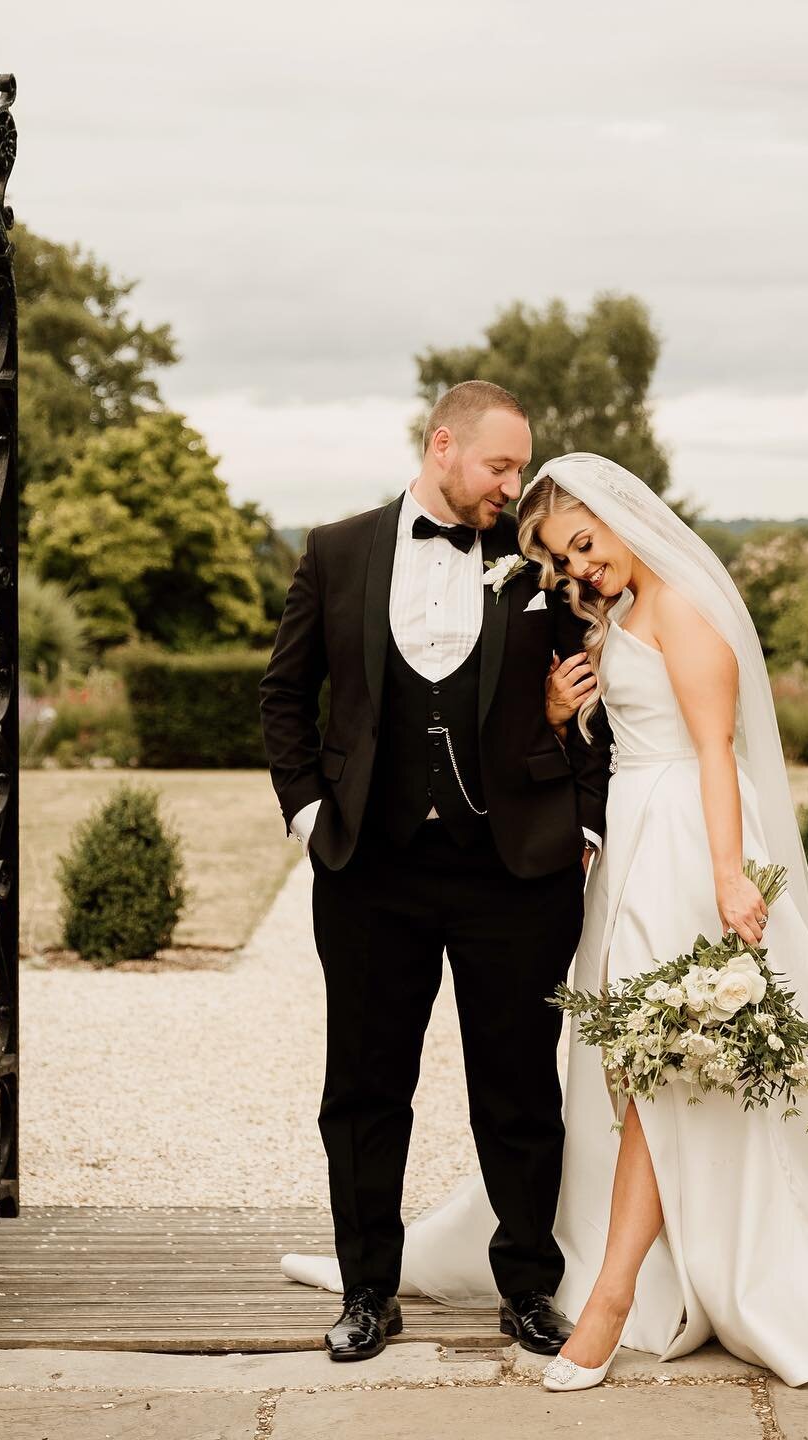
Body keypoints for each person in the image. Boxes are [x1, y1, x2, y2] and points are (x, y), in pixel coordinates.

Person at [281, 451, 808, 1391]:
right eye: (562, 561)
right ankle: (607, 1263)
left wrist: (729, 876)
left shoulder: (692, 617)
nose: (579, 570)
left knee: (670, 1062)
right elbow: (594, 729)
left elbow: (714, 755)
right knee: (631, 1065)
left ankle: (614, 1299)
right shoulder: (608, 617)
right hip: (627, 852)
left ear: (623, 517)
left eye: (584, 546)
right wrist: (552, 710)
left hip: (688, 854)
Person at [258, 384, 612, 1362]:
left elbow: (599, 689)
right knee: (365, 1087)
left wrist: (585, 826)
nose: (515, 484)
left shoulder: (535, 565)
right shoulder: (338, 549)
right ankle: (369, 1290)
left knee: (519, 1089)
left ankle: (529, 1288)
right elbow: (286, 692)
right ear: (443, 445)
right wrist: (308, 810)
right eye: (500, 466)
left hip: (517, 870)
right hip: (371, 870)